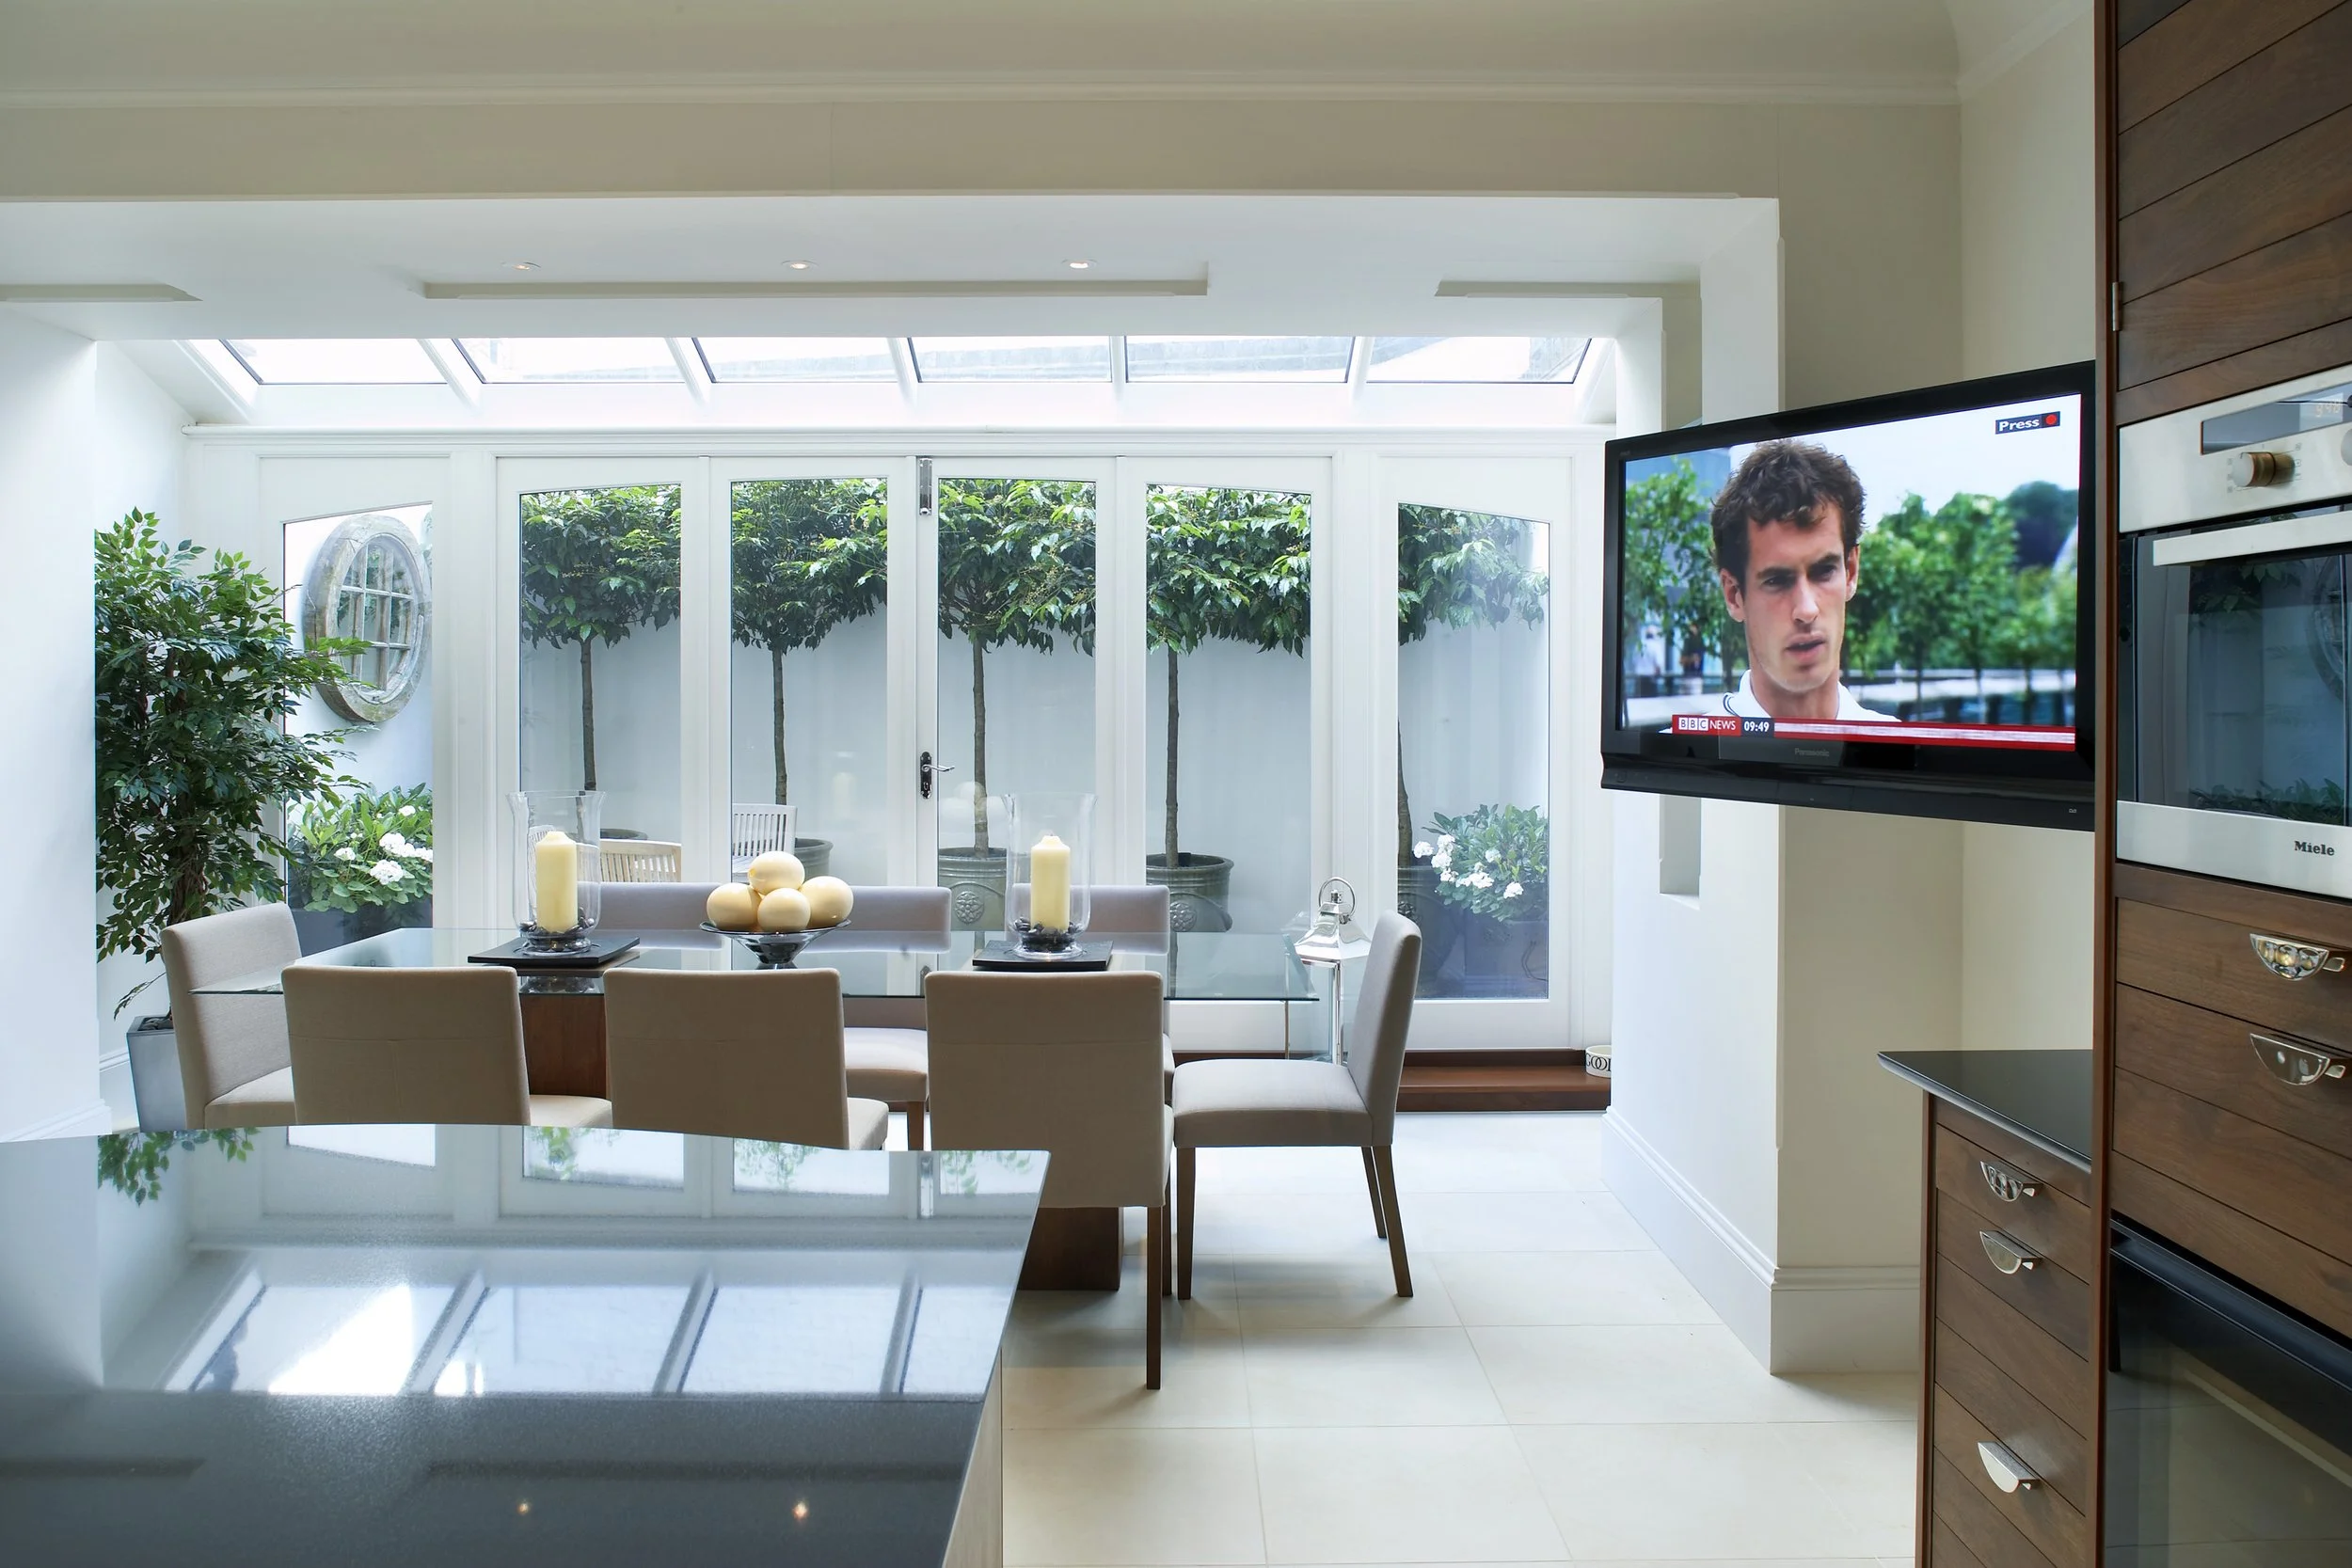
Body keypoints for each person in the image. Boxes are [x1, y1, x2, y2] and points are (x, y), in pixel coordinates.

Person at [1708, 439, 1890, 722]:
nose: (1806, 610)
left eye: (1824, 572)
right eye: (1777, 580)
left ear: (1851, 571)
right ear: (1734, 595)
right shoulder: (1673, 758)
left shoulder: (1901, 754)